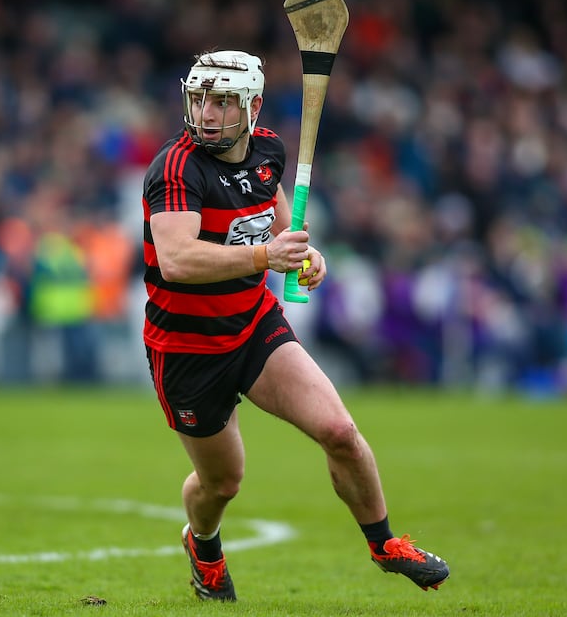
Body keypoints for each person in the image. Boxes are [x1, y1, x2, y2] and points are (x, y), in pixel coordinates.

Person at [142, 50, 449, 602]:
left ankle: (383, 544)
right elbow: (178, 260)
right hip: (188, 347)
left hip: (253, 325)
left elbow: (274, 206)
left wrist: (304, 251)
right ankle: (203, 545)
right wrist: (267, 257)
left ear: (252, 107)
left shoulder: (268, 151)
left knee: (340, 433)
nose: (207, 113)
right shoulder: (176, 168)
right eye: (199, 100)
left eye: (222, 102)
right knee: (222, 483)